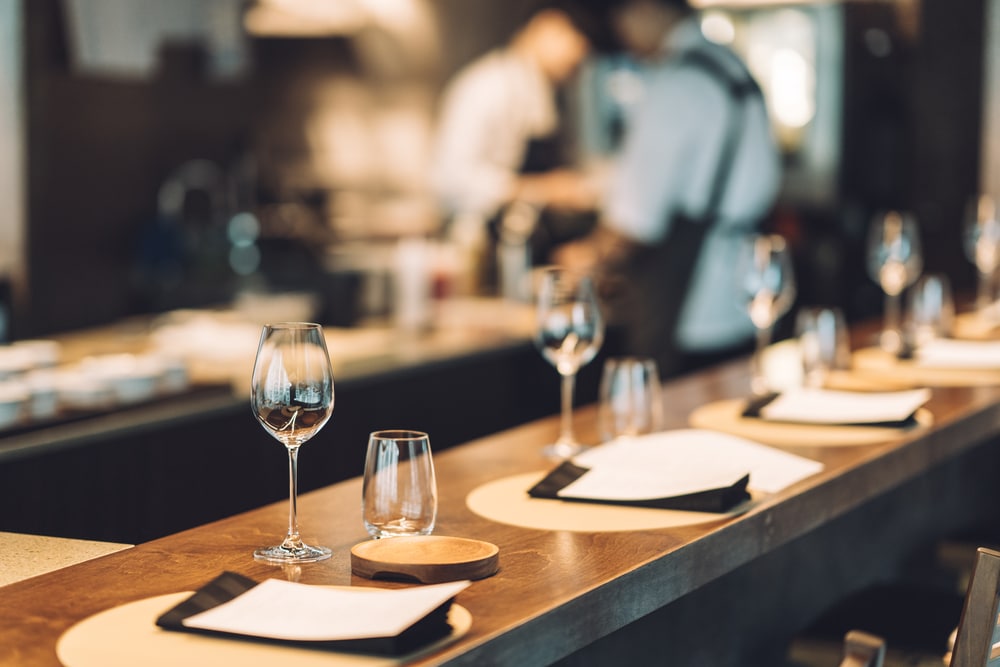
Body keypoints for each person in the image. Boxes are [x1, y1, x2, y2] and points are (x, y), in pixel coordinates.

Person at [554, 0, 783, 377]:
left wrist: (583, 259)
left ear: (645, 9)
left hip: (691, 304)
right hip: (742, 294)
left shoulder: (675, 83)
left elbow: (636, 221)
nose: (622, 36)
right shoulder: (730, 64)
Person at [428, 1, 609, 277]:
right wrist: (543, 189)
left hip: (535, 249)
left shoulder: (557, 94)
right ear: (545, 26)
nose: (580, 57)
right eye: (576, 41)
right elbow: (451, 181)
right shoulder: (487, 86)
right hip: (480, 252)